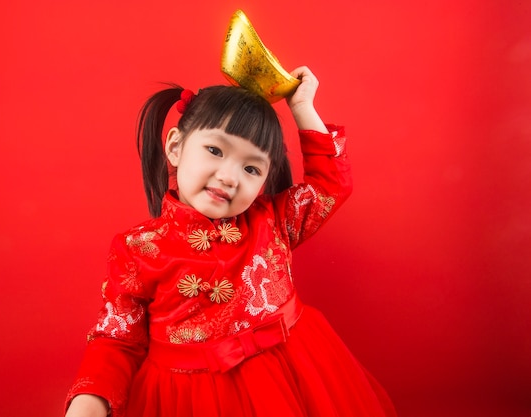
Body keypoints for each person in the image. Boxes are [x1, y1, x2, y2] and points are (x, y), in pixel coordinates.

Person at [65, 66, 396, 417]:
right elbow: (117, 339)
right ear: (175, 147)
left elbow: (332, 185)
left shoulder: (274, 220)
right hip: (189, 397)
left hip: (288, 377)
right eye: (214, 150)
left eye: (251, 169)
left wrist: (302, 108)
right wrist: (90, 401)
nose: (228, 177)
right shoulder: (137, 248)